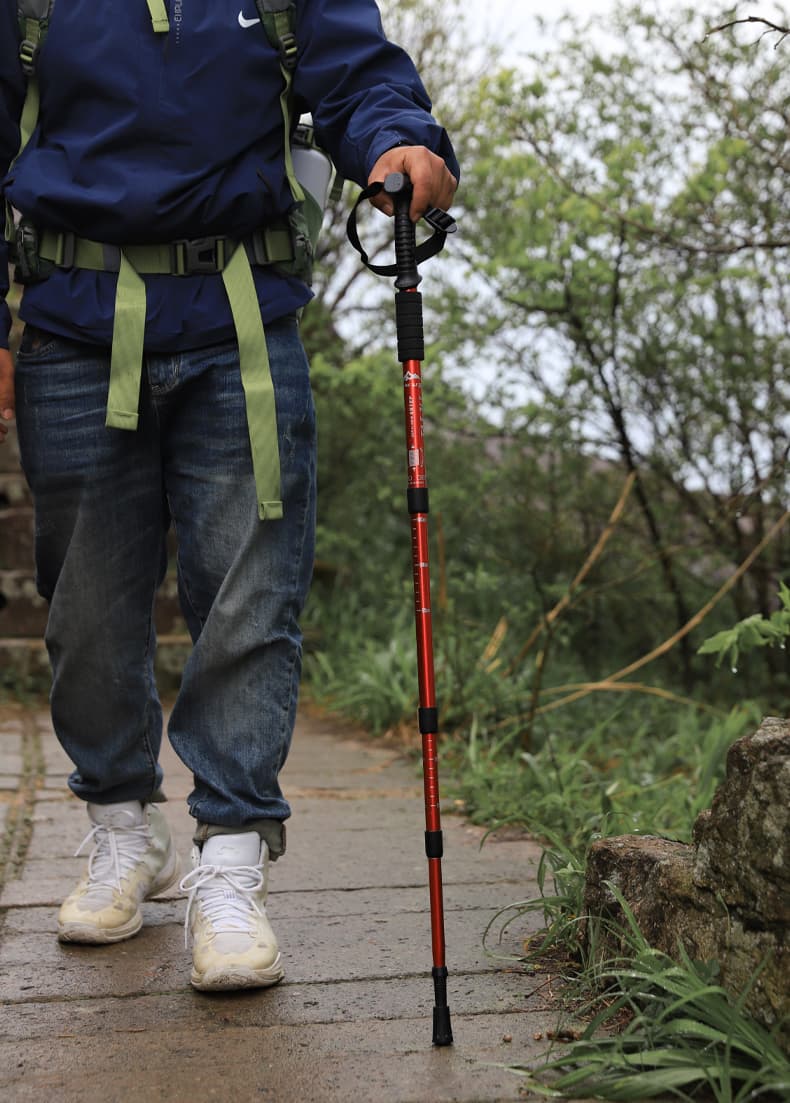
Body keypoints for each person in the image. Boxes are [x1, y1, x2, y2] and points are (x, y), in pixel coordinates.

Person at [0, 0, 457, 992]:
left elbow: (354, 75)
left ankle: (233, 859)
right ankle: (123, 826)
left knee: (249, 597)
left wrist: (399, 141)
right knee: (82, 609)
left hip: (242, 323)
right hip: (75, 326)